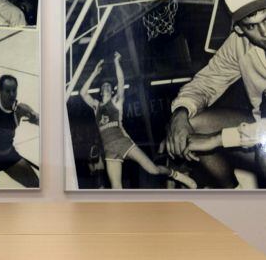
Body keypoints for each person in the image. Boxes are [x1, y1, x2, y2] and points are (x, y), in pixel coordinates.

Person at [165, 0, 266, 188]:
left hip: (260, 140)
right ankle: (236, 198)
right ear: (239, 28)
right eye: (251, 26)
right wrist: (180, 112)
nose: (264, 32)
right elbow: (206, 82)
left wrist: (218, 139)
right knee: (192, 125)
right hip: (258, 130)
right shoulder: (238, 44)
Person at [80, 52, 197, 189]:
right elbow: (83, 93)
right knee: (116, 187)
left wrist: (117, 62)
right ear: (100, 92)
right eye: (104, 86)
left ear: (112, 91)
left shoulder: (116, 101)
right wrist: (94, 73)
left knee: (152, 169)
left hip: (123, 142)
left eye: (109, 86)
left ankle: (176, 175)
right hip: (109, 150)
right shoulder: (96, 106)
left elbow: (121, 81)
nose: (106, 87)